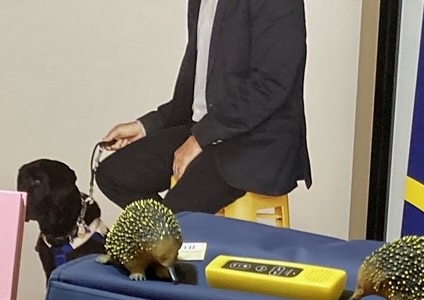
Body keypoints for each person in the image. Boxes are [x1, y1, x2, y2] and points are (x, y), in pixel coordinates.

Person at [95, 0, 310, 215]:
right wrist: (145, 127)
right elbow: (196, 85)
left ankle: (173, 236)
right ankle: (173, 236)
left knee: (177, 215)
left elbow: (270, 85)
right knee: (114, 176)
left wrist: (200, 138)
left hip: (258, 143)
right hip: (207, 130)